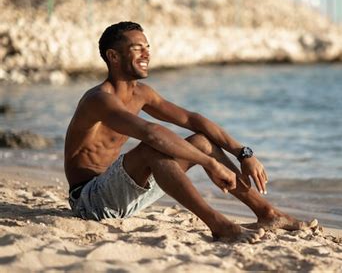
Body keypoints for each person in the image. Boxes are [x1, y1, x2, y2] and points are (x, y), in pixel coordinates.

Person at [64, 21, 309, 241]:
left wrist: (243, 153)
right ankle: (219, 225)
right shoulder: (99, 100)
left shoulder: (141, 93)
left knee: (201, 142)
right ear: (113, 56)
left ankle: (268, 213)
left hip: (125, 194)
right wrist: (210, 165)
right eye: (137, 48)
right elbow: (152, 133)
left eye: (147, 46)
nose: (147, 53)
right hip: (90, 201)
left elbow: (193, 119)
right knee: (153, 148)